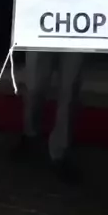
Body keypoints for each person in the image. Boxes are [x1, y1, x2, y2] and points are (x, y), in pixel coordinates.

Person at [22, 51, 83, 182]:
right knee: (34, 86)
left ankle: (60, 152)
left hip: (76, 40)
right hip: (40, 39)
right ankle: (30, 134)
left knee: (70, 90)